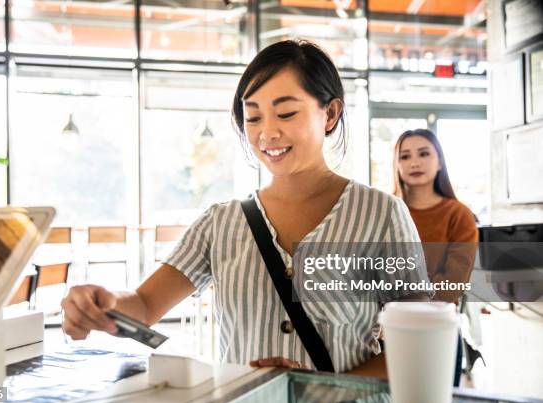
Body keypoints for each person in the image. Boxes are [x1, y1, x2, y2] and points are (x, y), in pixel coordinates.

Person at [61, 40, 430, 374]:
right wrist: (103, 303)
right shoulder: (220, 223)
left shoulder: (380, 215)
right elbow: (144, 304)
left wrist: (325, 388)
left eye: (286, 114)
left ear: (330, 114)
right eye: (253, 117)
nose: (267, 133)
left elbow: (417, 342)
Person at [392, 128, 478, 385]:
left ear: (440, 161)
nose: (415, 162)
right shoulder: (385, 211)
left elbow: (454, 283)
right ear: (396, 165)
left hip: (437, 332)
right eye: (405, 156)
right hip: (387, 333)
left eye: (424, 153)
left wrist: (401, 300)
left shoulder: (459, 215)